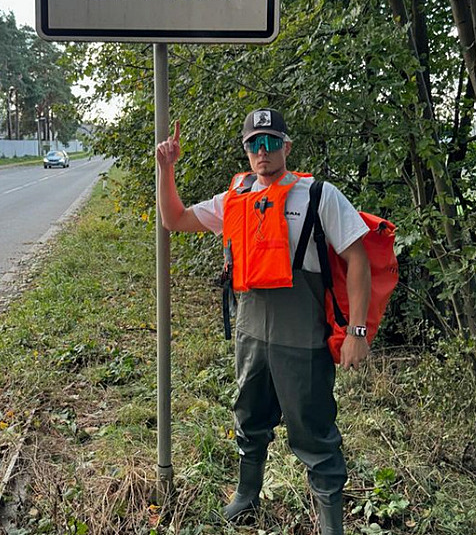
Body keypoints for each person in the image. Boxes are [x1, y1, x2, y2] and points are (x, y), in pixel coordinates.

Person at [156, 108, 371, 534]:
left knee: (313, 429)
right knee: (249, 414)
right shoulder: (235, 197)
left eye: (272, 142)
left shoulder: (318, 195)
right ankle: (246, 497)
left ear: (287, 147)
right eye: (254, 143)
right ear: (247, 150)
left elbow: (358, 259)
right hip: (251, 329)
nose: (263, 152)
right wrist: (166, 169)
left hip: (303, 332)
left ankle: (331, 525)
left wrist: (357, 333)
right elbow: (174, 219)